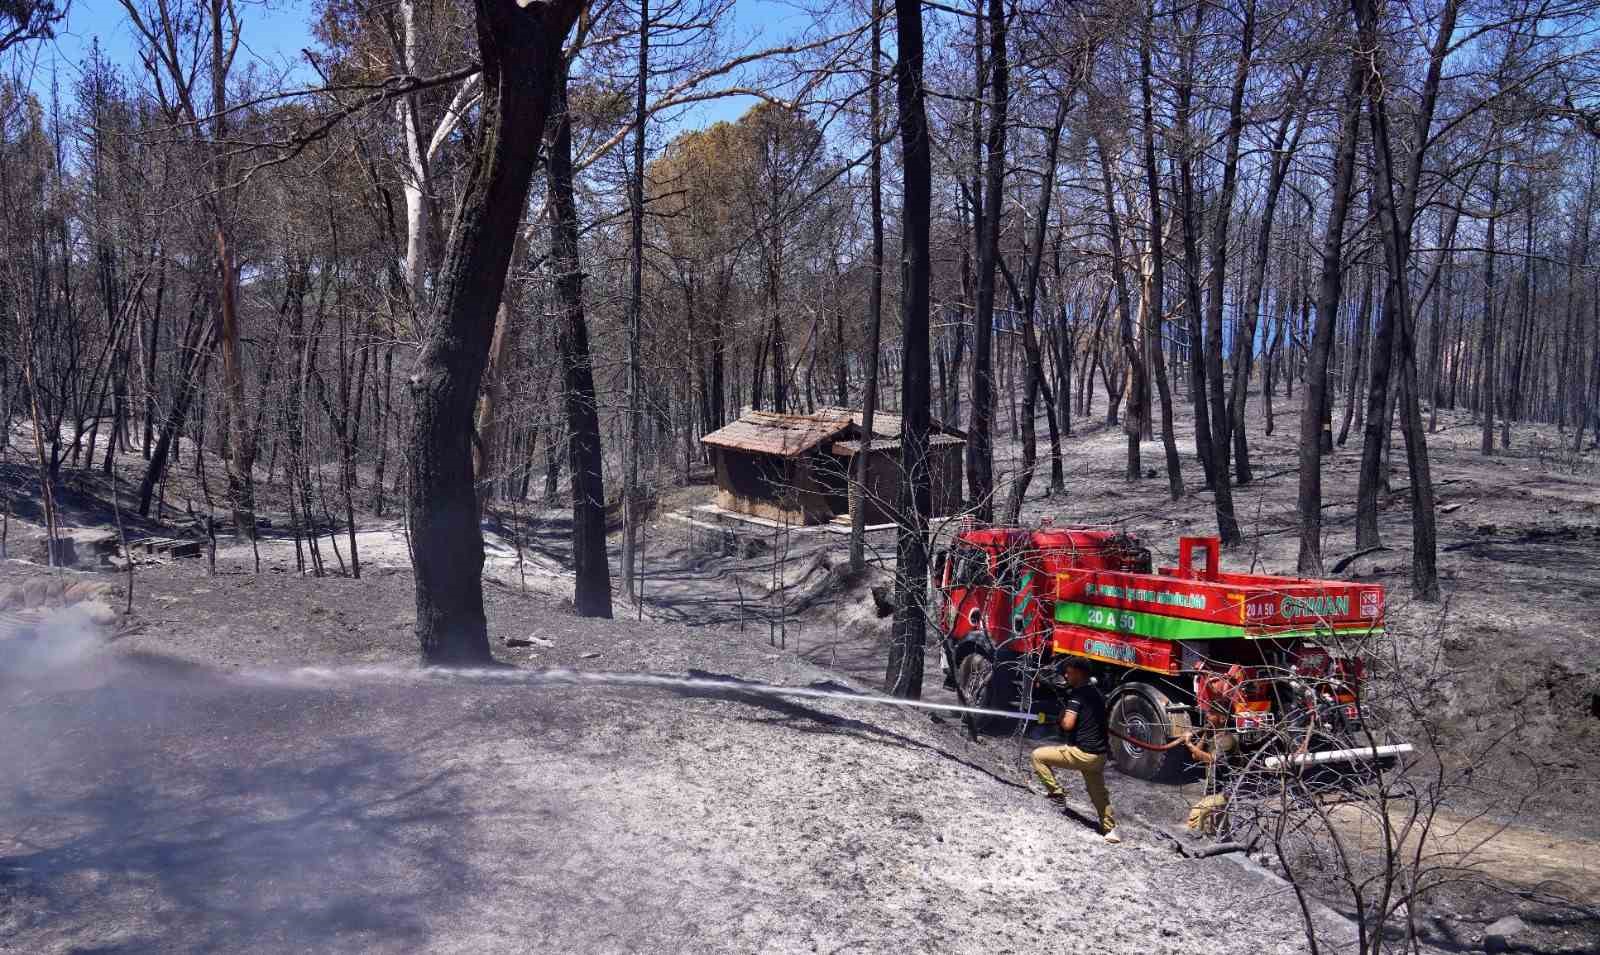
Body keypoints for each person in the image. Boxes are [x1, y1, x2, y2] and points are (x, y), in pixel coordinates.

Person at [1030, 656, 1120, 844]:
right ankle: (1110, 830)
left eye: (1068, 672)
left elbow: (1068, 724)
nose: (1065, 675)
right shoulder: (1096, 693)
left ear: (1079, 673)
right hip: (1099, 755)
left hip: (1082, 753)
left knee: (1038, 756)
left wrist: (1061, 719)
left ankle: (1056, 794)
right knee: (1098, 793)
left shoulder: (1077, 696)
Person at [1183, 705, 1240, 836]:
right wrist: (1204, 734)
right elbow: (1195, 756)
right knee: (1217, 823)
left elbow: (1211, 759)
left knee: (1196, 815)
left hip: (1225, 791)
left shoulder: (1227, 739)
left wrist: (1189, 744)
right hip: (1212, 788)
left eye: (1211, 713)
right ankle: (1221, 842)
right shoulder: (1212, 735)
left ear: (1222, 718)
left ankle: (1201, 845)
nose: (1207, 715)